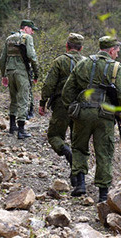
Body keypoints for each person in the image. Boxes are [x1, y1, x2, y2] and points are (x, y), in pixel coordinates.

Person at [62, 36, 121, 202]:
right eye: (117, 51)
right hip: (105, 115)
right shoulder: (115, 68)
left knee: (79, 147)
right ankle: (103, 194)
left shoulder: (83, 63)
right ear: (111, 50)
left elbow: (68, 90)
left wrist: (72, 107)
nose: (118, 55)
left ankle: (80, 185)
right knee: (104, 152)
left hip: (83, 112)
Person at [39, 33, 85, 186]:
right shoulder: (87, 64)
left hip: (61, 105)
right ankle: (78, 179)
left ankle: (66, 151)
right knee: (78, 141)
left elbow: (49, 84)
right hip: (81, 106)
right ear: (81, 48)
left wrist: (42, 102)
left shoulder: (60, 61)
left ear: (67, 46)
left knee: (54, 135)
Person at [0, 20, 39, 139]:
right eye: (32, 29)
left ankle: (12, 126)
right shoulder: (27, 38)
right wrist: (36, 74)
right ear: (26, 28)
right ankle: (21, 130)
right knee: (23, 98)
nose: (32, 32)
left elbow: (2, 60)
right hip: (22, 72)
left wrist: (3, 75)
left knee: (14, 98)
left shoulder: (9, 39)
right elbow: (32, 57)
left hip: (10, 72)